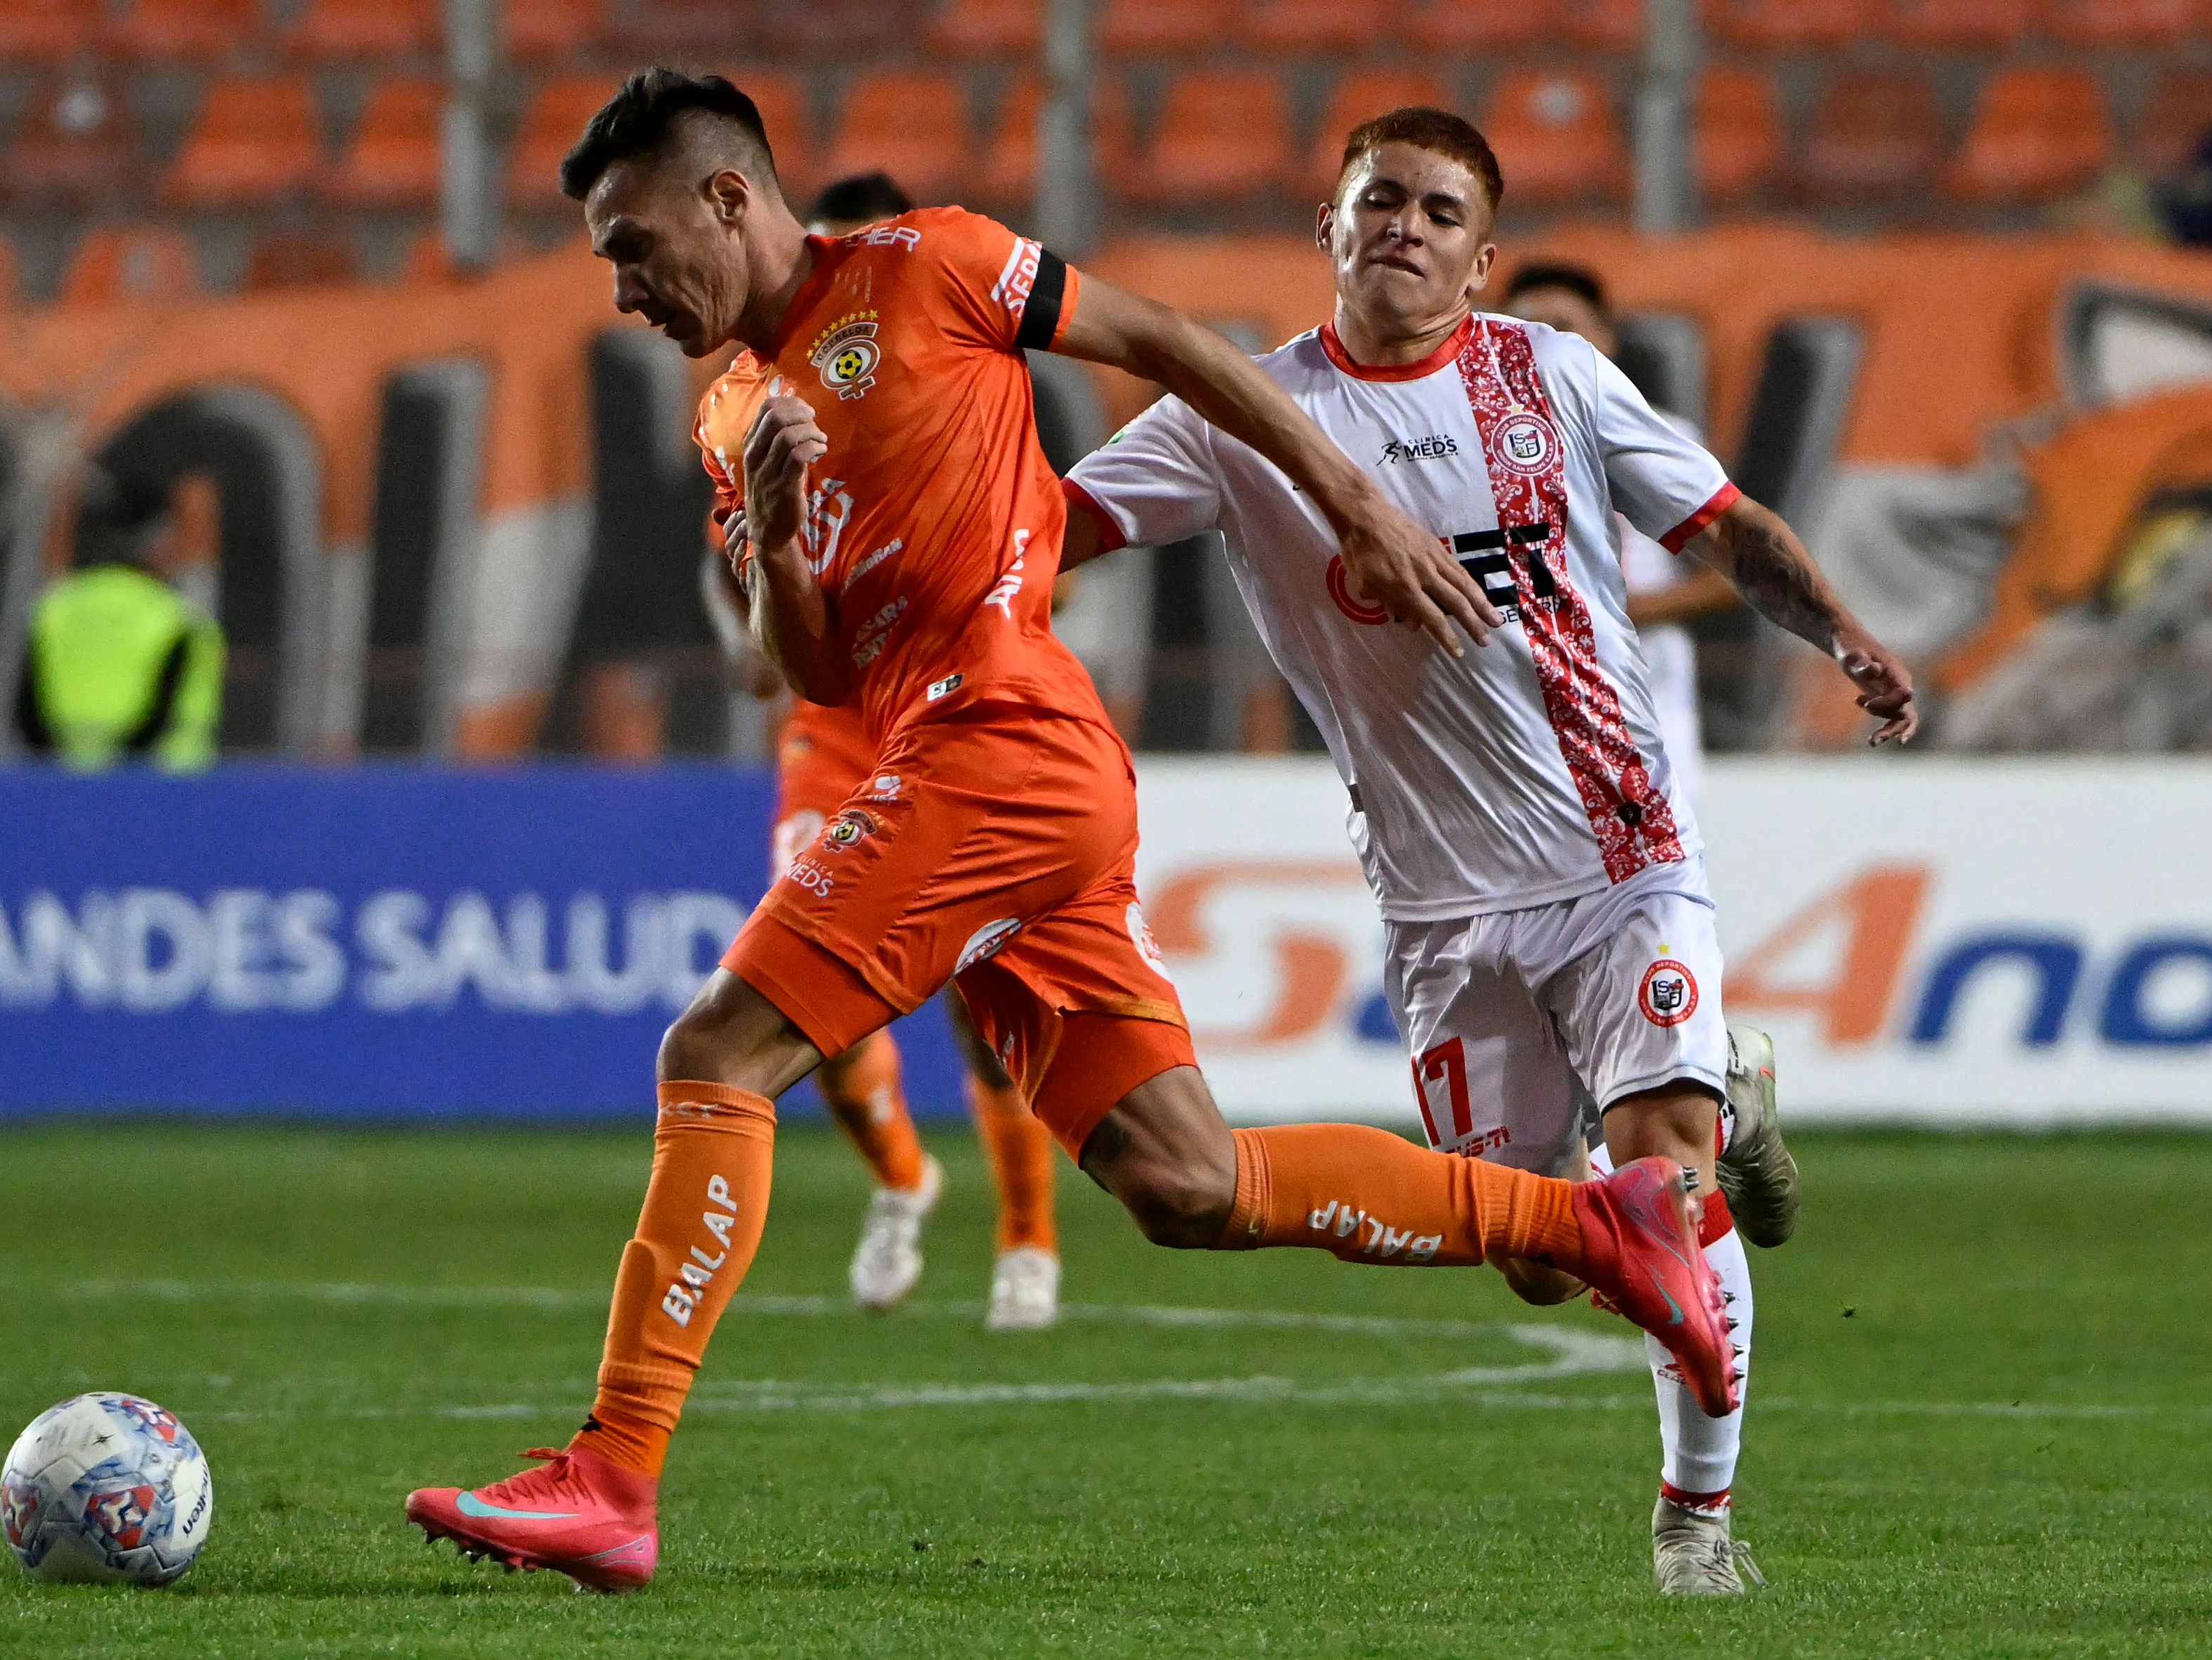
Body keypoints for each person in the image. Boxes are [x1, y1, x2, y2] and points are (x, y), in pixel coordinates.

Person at [406, 69, 1740, 1595]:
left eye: (633, 244)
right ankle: (1600, 1226)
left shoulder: (933, 267)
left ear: (726, 195)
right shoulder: (731, 411)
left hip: (1005, 747)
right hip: (955, 762)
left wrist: (1352, 495)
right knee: (1184, 1181)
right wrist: (770, 535)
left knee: (715, 1054)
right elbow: (809, 666)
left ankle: (612, 1472)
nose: (626, 286)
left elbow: (1166, 343)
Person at [1059, 106, 1918, 1596]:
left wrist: (1841, 631)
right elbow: (1052, 526)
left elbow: (1719, 525)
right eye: (1377, 198)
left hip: (1618, 850)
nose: (1403, 224)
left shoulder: (1556, 377)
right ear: (1325, 226)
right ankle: (1741, 1080)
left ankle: (1694, 1521)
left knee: (1653, 1183)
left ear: (1481, 259)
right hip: (1440, 905)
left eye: (1439, 211)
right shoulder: (1238, 418)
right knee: (1537, 1246)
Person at [699, 168, 1065, 1331]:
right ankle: (904, 1176)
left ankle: (1027, 1238)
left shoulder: (952, 376)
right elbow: (754, 616)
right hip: (832, 734)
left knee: (977, 992)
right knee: (810, 995)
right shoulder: (752, 401)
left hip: (952, 711)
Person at [1497, 260, 1736, 806]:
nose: (1547, 348)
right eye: (1527, 331)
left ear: (1605, 338)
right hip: (1527, 709)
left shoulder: (1665, 438)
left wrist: (1611, 608)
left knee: (1660, 881)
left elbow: (1729, 576)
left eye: (1567, 329)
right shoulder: (1475, 447)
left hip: (1647, 704)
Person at [15, 474, 223, 772]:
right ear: (158, 542)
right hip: (168, 791)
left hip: (66, 789)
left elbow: (28, 713)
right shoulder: (179, 619)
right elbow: (166, 712)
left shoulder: (53, 610)